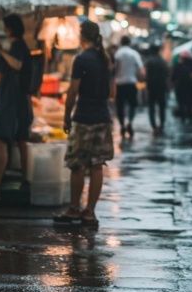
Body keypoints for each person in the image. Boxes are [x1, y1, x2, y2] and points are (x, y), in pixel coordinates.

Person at [54, 20, 113, 228]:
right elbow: (112, 92)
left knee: (77, 164)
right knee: (97, 165)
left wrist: (66, 116)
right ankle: (90, 213)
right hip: (103, 117)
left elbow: (72, 91)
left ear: (82, 36)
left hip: (84, 117)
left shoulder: (81, 59)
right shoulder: (105, 58)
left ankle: (74, 209)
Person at [0, 14, 33, 201]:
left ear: (10, 29)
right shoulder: (16, 47)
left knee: (2, 140)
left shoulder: (18, 46)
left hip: (12, 100)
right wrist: (0, 51)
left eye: (5, 27)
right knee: (21, 140)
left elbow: (17, 65)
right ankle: (25, 180)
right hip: (16, 98)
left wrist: (2, 52)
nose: (4, 30)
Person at [114, 35, 144, 138]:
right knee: (132, 105)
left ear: (121, 42)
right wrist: (140, 79)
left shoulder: (118, 54)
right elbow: (141, 70)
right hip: (131, 83)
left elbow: (114, 69)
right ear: (129, 43)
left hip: (120, 84)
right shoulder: (134, 54)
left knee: (120, 106)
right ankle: (130, 123)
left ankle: (122, 125)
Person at [144, 44, 169, 134]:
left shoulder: (149, 61)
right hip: (161, 87)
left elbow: (146, 75)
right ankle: (161, 125)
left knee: (151, 107)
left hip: (151, 87)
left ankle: (154, 126)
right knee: (162, 107)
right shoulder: (162, 61)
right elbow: (167, 74)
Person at [172, 51, 192, 124]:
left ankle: (183, 119)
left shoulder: (178, 66)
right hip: (190, 88)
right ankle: (190, 119)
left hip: (180, 88)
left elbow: (173, 77)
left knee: (181, 104)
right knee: (189, 104)